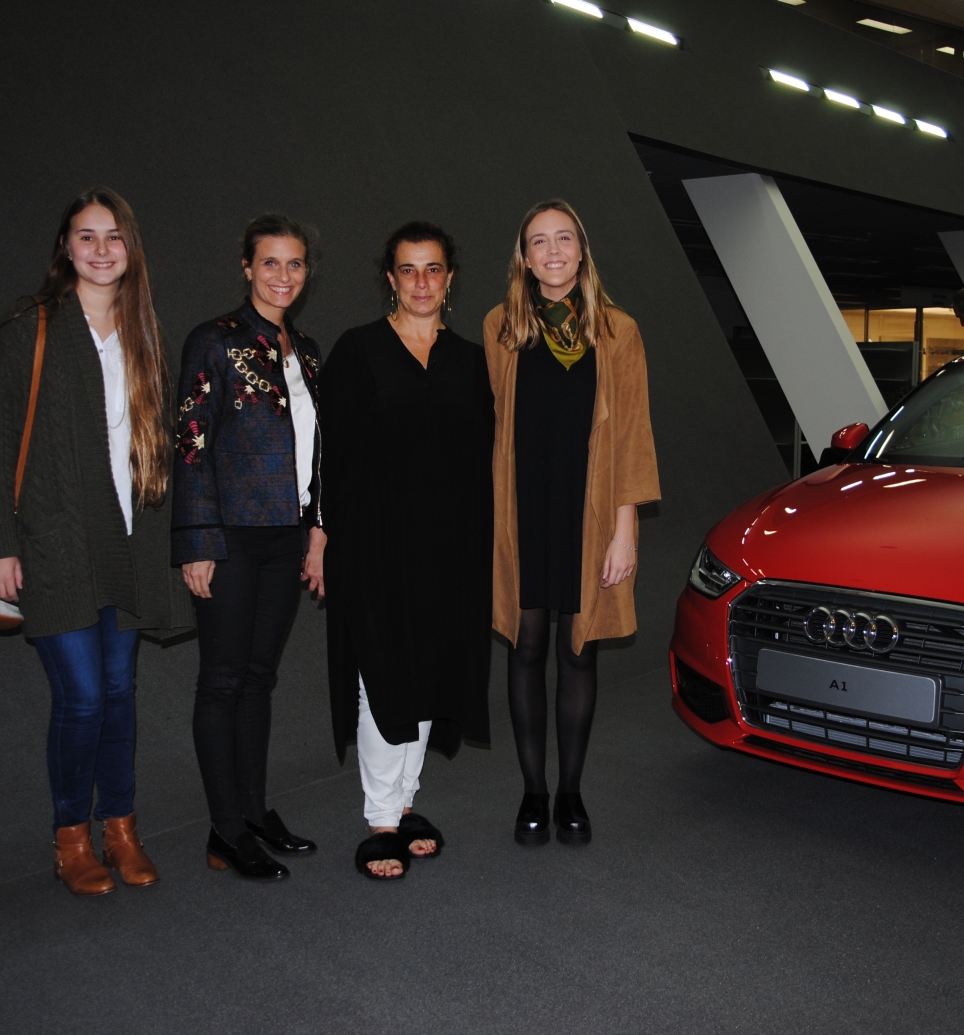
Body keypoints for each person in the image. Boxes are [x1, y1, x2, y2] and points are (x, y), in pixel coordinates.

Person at [0, 187, 193, 896]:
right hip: (58, 544)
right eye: (86, 236)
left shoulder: (143, 333)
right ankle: (72, 836)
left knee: (122, 693)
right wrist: (0, 544)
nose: (101, 250)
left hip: (129, 543)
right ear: (64, 248)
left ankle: (121, 829)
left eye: (114, 237)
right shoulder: (28, 328)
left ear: (131, 250)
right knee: (85, 698)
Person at [313, 222, 495, 880]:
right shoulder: (357, 352)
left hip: (449, 549)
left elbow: (487, 461)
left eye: (433, 269)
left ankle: (405, 801)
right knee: (382, 675)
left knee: (426, 676)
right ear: (389, 278)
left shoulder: (472, 360)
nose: (421, 281)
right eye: (408, 269)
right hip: (372, 543)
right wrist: (319, 532)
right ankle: (380, 819)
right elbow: (324, 453)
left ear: (450, 280)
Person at [484, 199, 660, 847]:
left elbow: (634, 436)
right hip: (523, 511)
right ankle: (532, 790)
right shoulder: (499, 327)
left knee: (577, 649)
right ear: (524, 258)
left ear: (581, 251)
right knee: (526, 647)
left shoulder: (619, 331)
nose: (552, 251)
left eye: (564, 239)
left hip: (588, 514)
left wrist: (625, 529)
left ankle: (570, 793)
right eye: (538, 241)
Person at [172, 214, 325, 881]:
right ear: (246, 267)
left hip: (285, 538)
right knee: (223, 678)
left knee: (260, 677)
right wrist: (197, 541)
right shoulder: (214, 340)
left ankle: (255, 812)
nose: (283, 276)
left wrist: (317, 530)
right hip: (230, 538)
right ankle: (225, 829)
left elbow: (321, 454)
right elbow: (190, 445)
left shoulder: (307, 352)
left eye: (294, 264)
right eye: (270, 263)